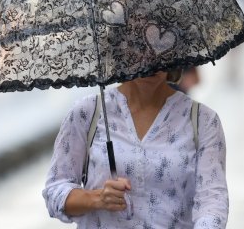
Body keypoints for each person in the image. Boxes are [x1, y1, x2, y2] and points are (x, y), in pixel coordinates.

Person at [42, 70, 228, 228]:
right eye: (139, 46)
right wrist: (97, 198)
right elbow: (55, 190)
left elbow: (212, 199)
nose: (151, 60)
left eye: (161, 47)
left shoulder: (202, 120)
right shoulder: (88, 112)